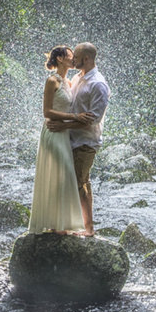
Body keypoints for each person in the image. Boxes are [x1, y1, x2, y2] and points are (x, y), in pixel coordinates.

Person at [27, 45, 95, 234]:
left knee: (64, 178)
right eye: (70, 55)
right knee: (60, 174)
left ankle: (61, 224)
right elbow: (46, 112)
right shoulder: (52, 81)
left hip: (65, 132)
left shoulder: (70, 82)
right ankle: (55, 224)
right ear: (59, 59)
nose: (73, 58)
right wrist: (75, 118)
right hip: (53, 132)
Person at [47, 42, 109, 236]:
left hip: (86, 141)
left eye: (77, 57)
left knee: (80, 182)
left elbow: (93, 119)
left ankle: (88, 228)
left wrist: (64, 125)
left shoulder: (98, 84)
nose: (73, 60)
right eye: (71, 56)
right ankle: (71, 225)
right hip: (69, 139)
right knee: (72, 182)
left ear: (87, 59)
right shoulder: (77, 77)